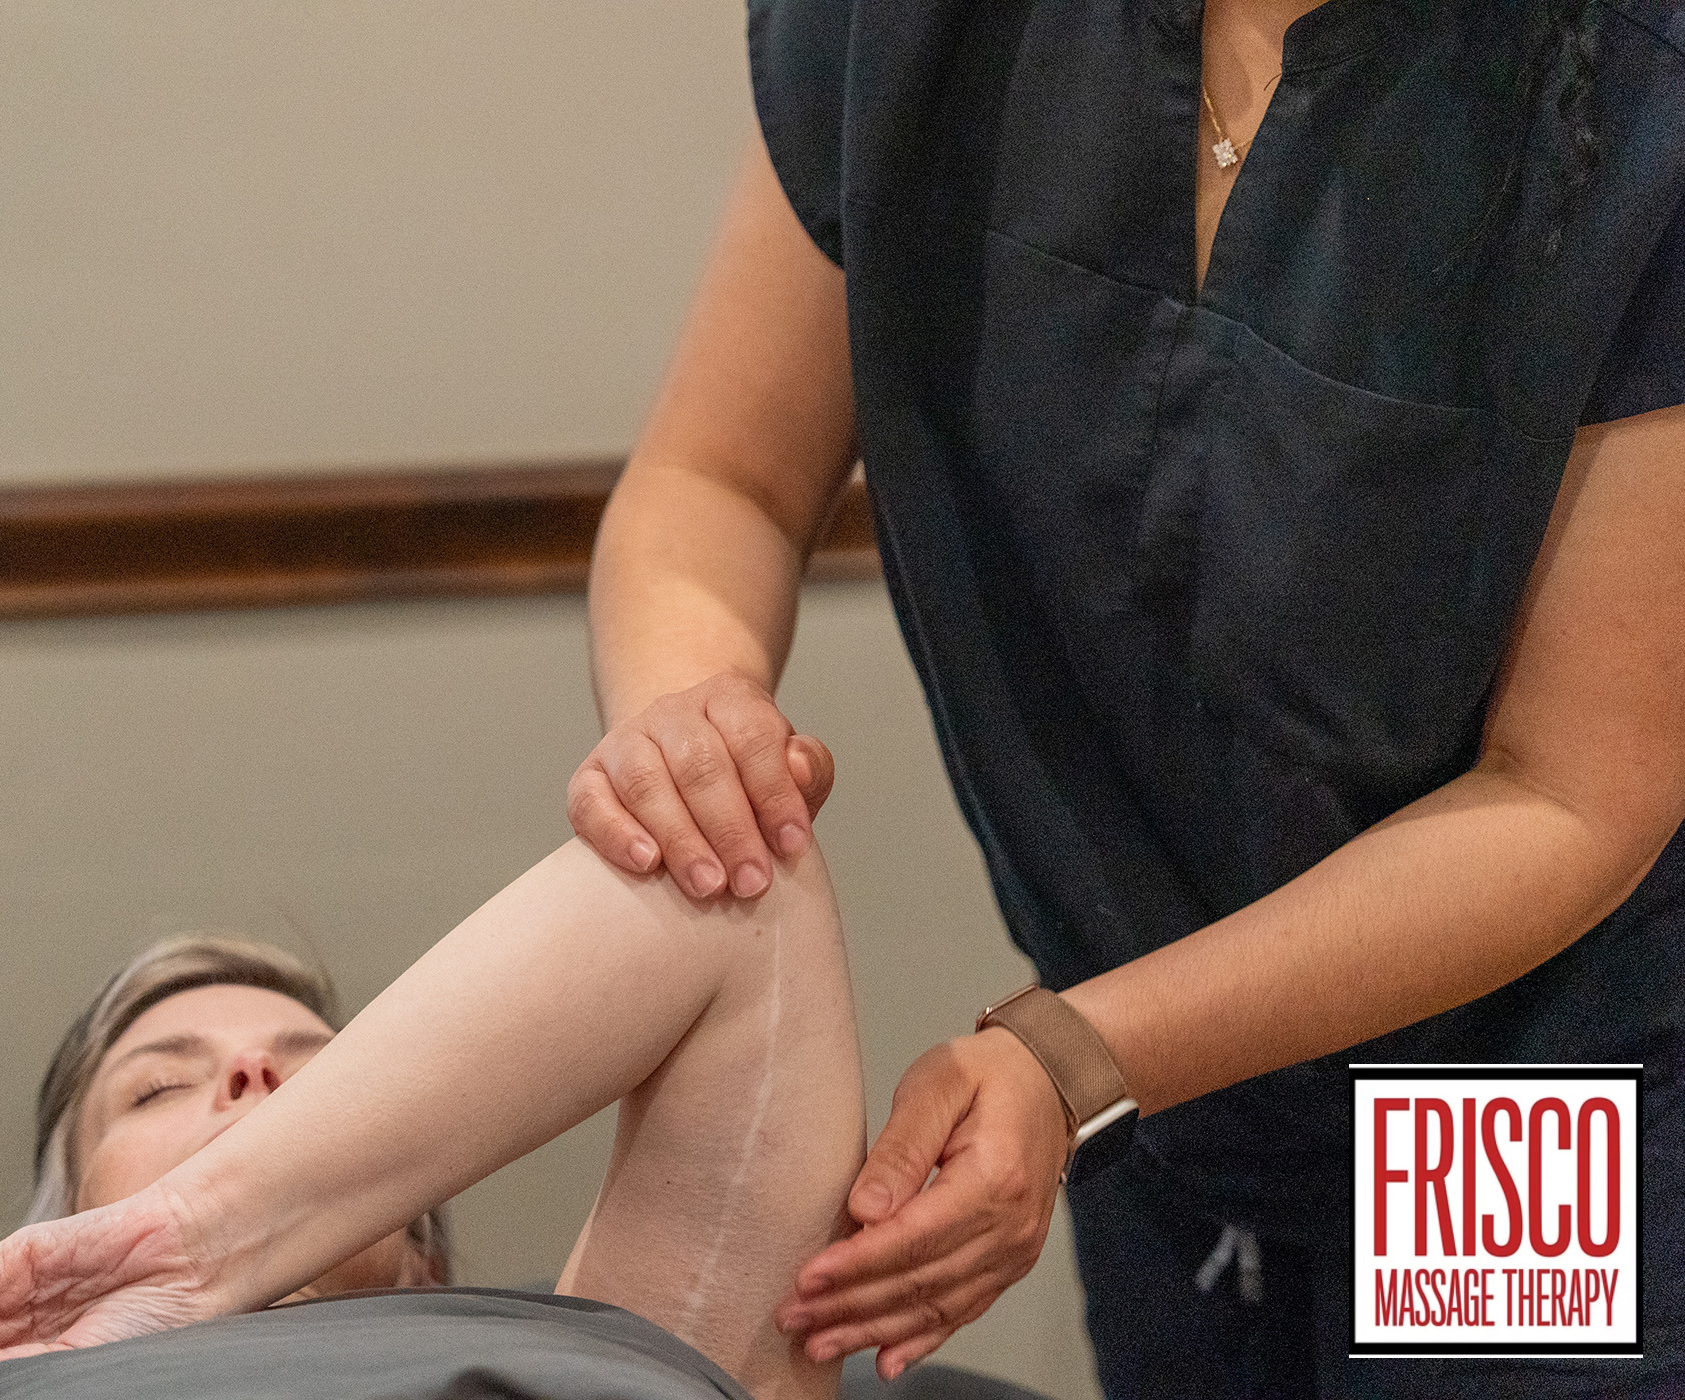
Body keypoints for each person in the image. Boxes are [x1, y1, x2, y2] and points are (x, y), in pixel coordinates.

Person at [564, 0, 1685, 1394]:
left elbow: (1573, 793)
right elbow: (715, 481)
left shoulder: (1640, 93)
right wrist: (693, 708)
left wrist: (1083, 1052)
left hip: (1516, 1092)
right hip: (1139, 1080)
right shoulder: (917, 36)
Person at [0, 832, 877, 1400]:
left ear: (421, 1254)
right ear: (51, 1235)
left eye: (322, 1081)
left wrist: (205, 1231)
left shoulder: (614, 1342)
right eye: (159, 1085)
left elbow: (748, 897)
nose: (253, 1071)